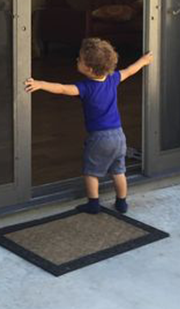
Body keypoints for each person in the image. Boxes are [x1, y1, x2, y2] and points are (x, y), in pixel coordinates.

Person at [25, 38, 153, 215]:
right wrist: (144, 61)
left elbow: (62, 88)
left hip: (99, 138)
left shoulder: (85, 87)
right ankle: (122, 202)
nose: (77, 60)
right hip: (119, 136)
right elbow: (130, 70)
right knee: (119, 172)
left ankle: (93, 204)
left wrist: (40, 84)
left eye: (80, 59)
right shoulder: (113, 79)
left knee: (91, 172)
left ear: (90, 69)